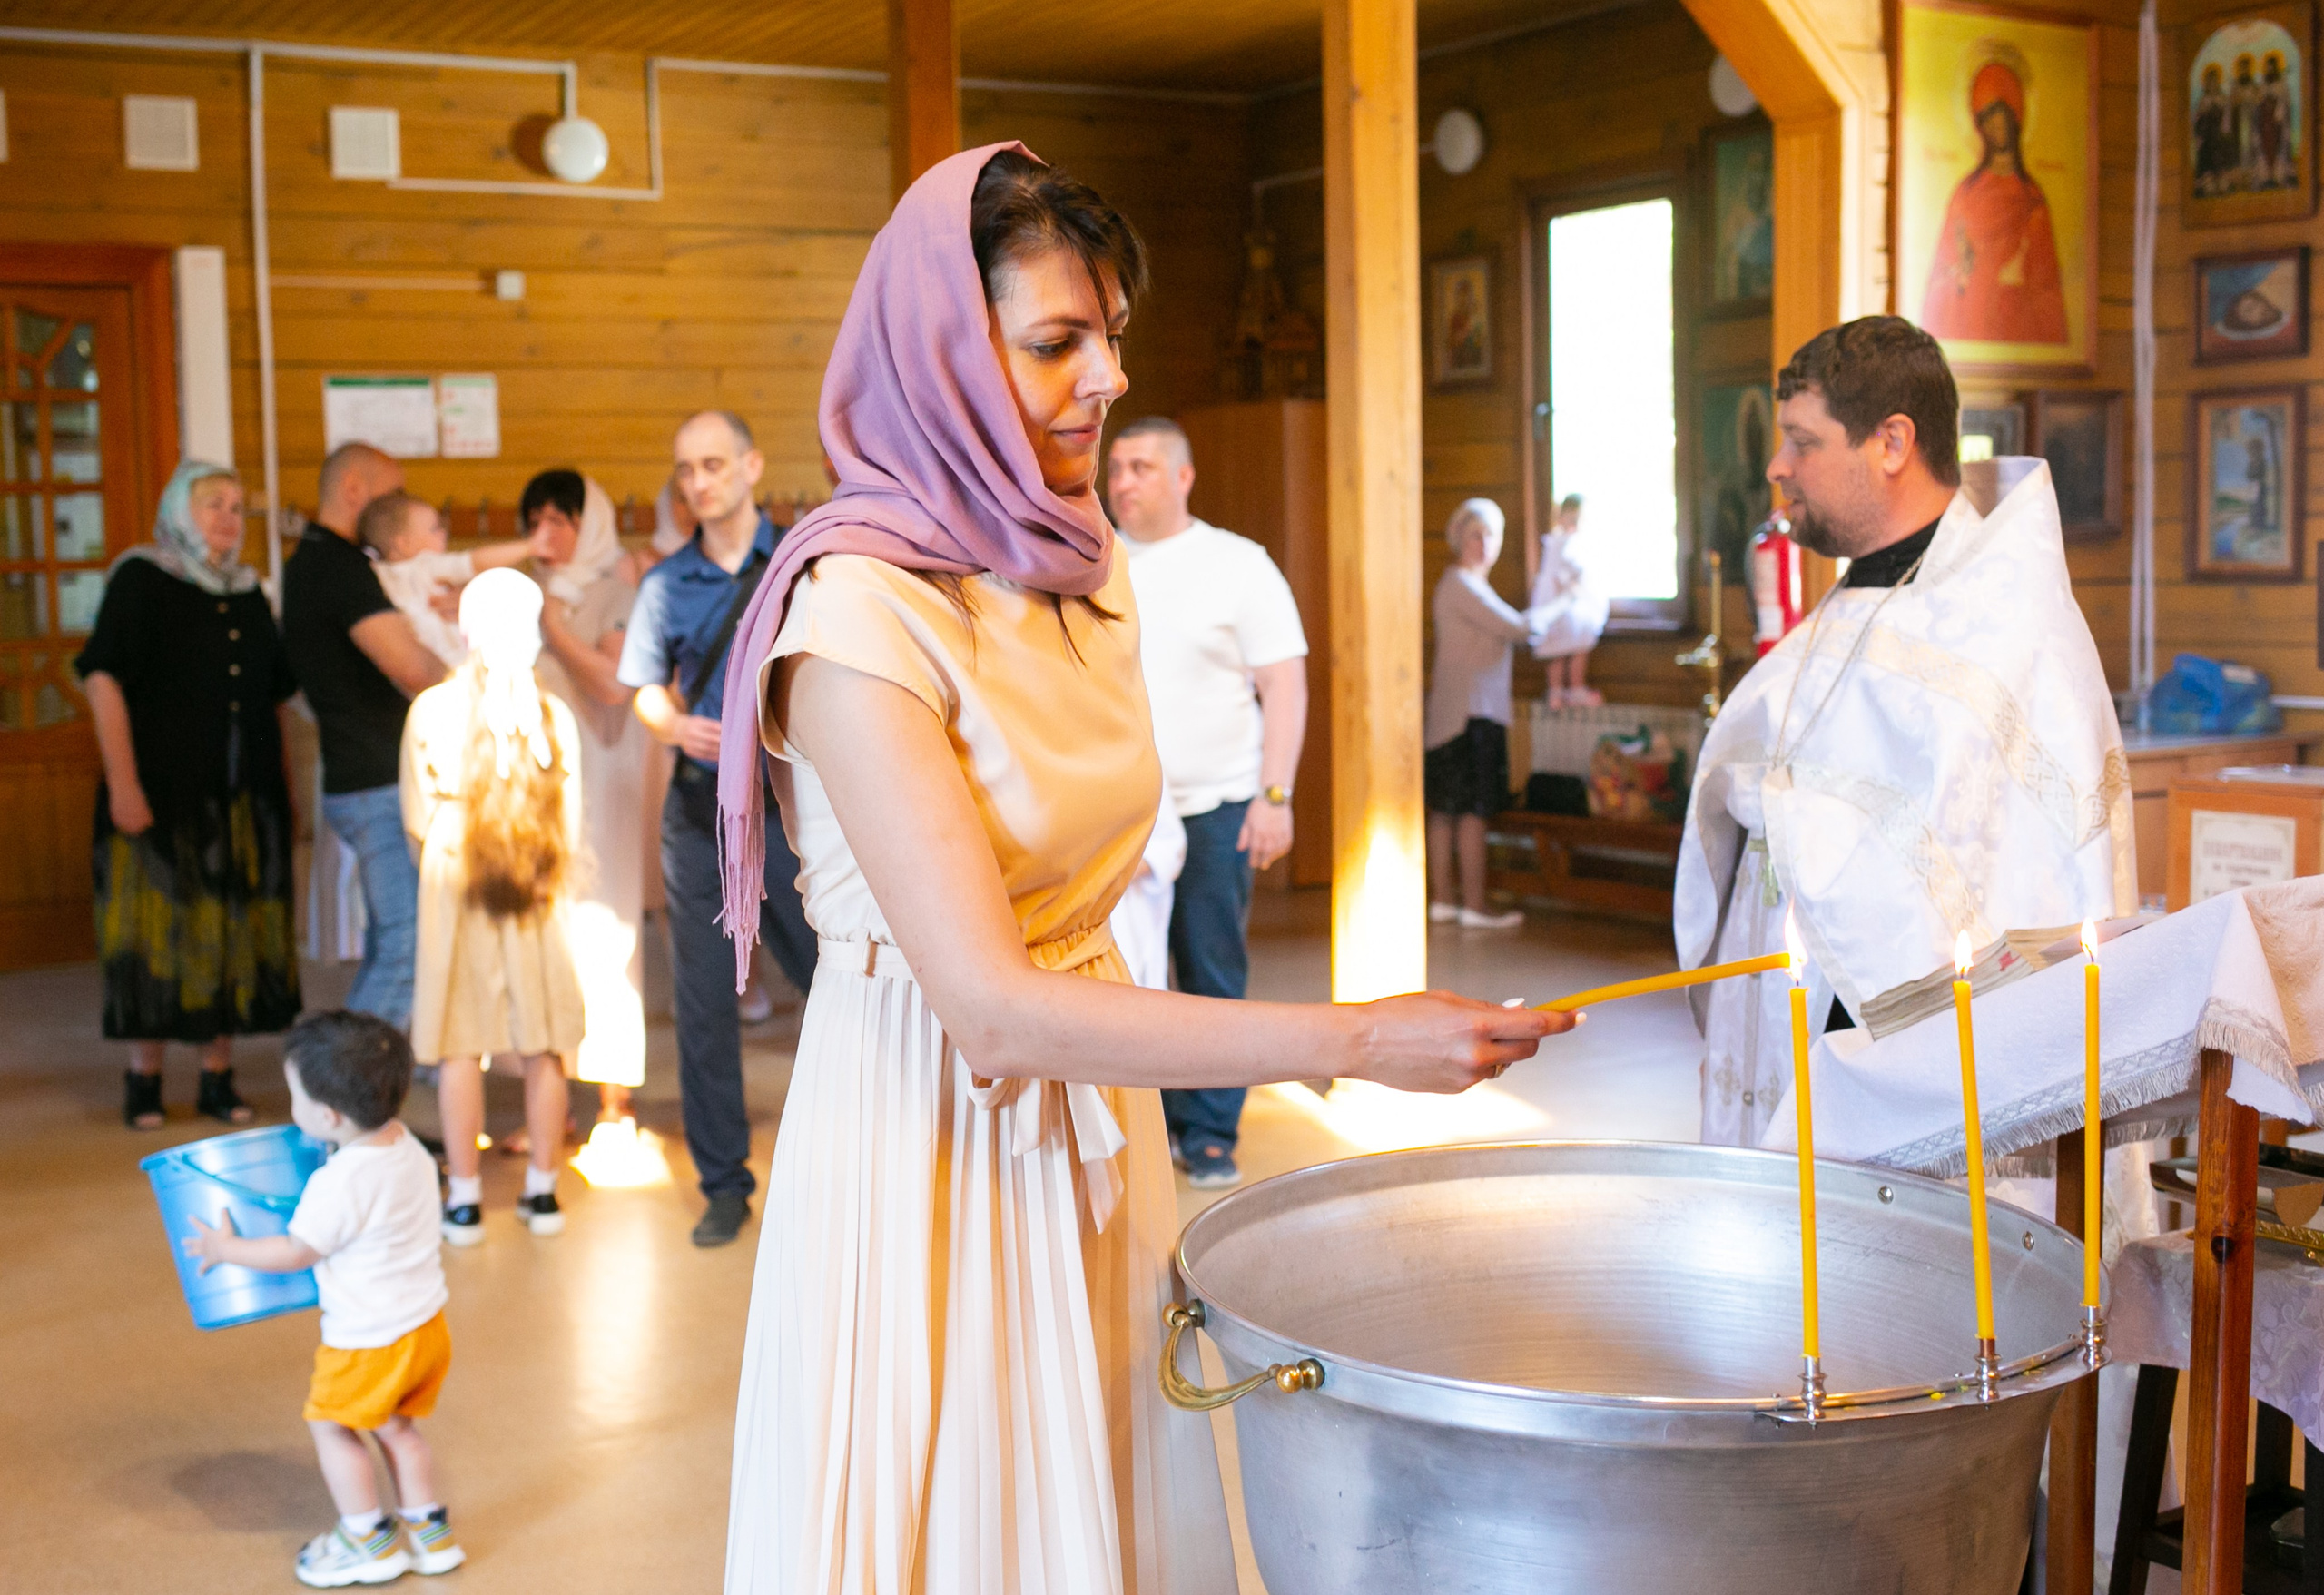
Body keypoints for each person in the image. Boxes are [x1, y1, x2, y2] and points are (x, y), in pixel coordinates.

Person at [713, 142, 1568, 1595]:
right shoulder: (857, 612)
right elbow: (988, 1009)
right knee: (966, 1503)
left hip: (1092, 1091)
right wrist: (1358, 1039)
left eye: (1109, 336)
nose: (1104, 378)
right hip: (930, 1112)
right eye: (1056, 342)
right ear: (940, 353)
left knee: (1097, 1484)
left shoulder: (1076, 553)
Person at [1677, 315, 2133, 1148]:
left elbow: (1997, 880)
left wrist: (1788, 812)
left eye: (1802, 441)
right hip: (1792, 1029)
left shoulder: (2011, 628)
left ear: (1892, 442)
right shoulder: (1858, 596)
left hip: (1906, 1080)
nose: (1777, 467)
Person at [617, 411, 817, 1247]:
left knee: (843, 986)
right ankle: (725, 1184)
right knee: (703, 1005)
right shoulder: (666, 582)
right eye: (685, 469)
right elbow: (644, 688)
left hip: (796, 810)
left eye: (712, 464)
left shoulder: (807, 562)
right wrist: (672, 727)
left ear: (750, 464)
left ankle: (868, 1158)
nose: (698, 482)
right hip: (700, 815)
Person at [184, 1010, 464, 1587]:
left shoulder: (338, 1182)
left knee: (332, 1426)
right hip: (425, 1326)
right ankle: (431, 1536)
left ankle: (366, 1539)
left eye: (294, 1096)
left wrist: (225, 1248)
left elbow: (295, 1251)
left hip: (369, 1339)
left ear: (328, 1116)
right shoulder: (408, 1147)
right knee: (396, 1427)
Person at [1104, 414, 1308, 1190]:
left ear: (1183, 476)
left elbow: (1282, 684)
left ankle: (1213, 1129)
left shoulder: (1237, 564)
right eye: (1116, 466)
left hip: (1218, 802)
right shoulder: (1095, 557)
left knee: (1210, 970)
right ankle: (1145, 1123)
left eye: (1141, 467)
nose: (1121, 481)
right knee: (1131, 978)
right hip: (1122, 810)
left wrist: (1275, 795)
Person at [79, 461, 301, 1128]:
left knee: (231, 928)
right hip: (162, 793)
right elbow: (103, 679)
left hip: (243, 795)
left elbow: (276, 700)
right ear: (179, 509)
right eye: (214, 504)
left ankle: (217, 1075)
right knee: (158, 931)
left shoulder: (249, 592)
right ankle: (144, 1080)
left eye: (237, 507)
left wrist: (286, 794)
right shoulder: (142, 578)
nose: (229, 518)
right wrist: (123, 782)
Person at [401, 569, 585, 1244]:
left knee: (457, 1043)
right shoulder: (554, 718)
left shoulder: (430, 711)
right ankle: (542, 1193)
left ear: (466, 629)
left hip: (455, 878)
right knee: (544, 1042)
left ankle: (465, 1197)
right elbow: (572, 821)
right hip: (535, 880)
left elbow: (417, 818)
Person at [282, 443, 445, 1030]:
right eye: (392, 492)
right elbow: (412, 668)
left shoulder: (314, 562)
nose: (398, 506)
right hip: (376, 779)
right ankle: (347, 1101)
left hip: (361, 774)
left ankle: (367, 1095)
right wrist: (480, 691)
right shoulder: (338, 567)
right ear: (354, 487)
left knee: (391, 939)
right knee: (406, 945)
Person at [520, 469, 650, 1126]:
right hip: (534, 798)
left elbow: (611, 685)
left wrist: (554, 630)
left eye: (558, 519)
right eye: (534, 519)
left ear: (587, 522)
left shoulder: (613, 591)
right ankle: (550, 1108)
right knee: (540, 937)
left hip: (600, 788)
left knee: (603, 933)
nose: (544, 534)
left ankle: (612, 1103)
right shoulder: (525, 592)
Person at [1425, 497, 1540, 930]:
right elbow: (1518, 628)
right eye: (1475, 533)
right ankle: (1470, 903)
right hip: (1468, 715)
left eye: (1490, 534)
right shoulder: (1462, 584)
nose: (1483, 543)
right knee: (1468, 810)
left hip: (1461, 714)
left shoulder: (1466, 584)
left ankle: (1445, 901)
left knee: (1449, 810)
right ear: (1458, 537)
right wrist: (1565, 606)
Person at [1920, 59, 2069, 346]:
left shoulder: (2032, 199)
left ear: (2018, 120)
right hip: (1970, 315)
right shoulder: (1965, 195)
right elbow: (1944, 276)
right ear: (1979, 126)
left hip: (2017, 321)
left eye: (2004, 118)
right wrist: (1962, 271)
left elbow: (2047, 288)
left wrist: (2018, 276)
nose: (1998, 128)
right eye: (1989, 119)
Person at [355, 492, 535, 669]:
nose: (444, 533)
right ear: (404, 544)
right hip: (455, 665)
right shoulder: (424, 565)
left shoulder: (374, 574)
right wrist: (531, 546)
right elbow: (474, 563)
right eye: (434, 529)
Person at [1529, 492, 1607, 706]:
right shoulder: (1568, 543)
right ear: (1560, 517)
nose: (1573, 524)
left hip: (1555, 605)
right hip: (1563, 606)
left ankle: (1557, 691)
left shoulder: (1553, 541)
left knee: (1559, 651)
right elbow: (1575, 570)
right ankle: (1574, 688)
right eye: (1570, 519)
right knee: (1575, 646)